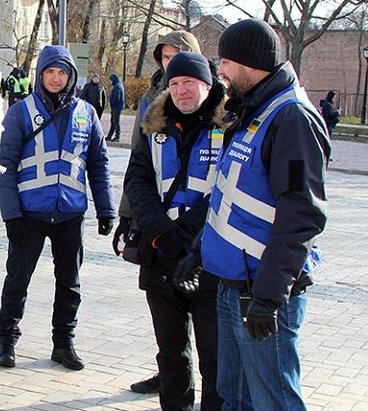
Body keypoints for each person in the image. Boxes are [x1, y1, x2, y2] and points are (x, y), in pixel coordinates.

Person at [178, 18, 330, 410]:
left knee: (272, 402)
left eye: (226, 61)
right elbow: (230, 196)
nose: (221, 71)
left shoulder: (292, 118)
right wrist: (199, 252)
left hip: (262, 292)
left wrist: (269, 296)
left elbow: (302, 215)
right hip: (233, 284)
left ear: (250, 63)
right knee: (235, 398)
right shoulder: (252, 110)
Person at [0, 44, 115, 371]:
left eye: (62, 72)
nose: (56, 78)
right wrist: (10, 214)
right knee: (17, 279)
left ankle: (63, 343)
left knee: (70, 283)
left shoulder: (86, 113)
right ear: (40, 75)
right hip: (29, 215)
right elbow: (3, 166)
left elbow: (99, 165)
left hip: (70, 215)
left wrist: (106, 210)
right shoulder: (20, 112)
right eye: (50, 72)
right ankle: (7, 339)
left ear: (71, 75)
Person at [124, 52, 226, 411]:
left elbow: (226, 191)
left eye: (189, 82)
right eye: (175, 84)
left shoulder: (228, 128)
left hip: (210, 261)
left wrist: (184, 233)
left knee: (215, 360)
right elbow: (137, 182)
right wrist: (164, 233)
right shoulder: (154, 126)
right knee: (171, 357)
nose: (181, 91)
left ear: (208, 85)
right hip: (161, 255)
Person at [114, 30, 201, 395]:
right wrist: (128, 216)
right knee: (168, 327)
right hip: (158, 229)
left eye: (177, 56)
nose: (170, 65)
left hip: (200, 239)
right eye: (165, 59)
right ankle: (168, 375)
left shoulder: (216, 104)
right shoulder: (153, 98)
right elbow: (139, 167)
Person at [105, 73, 124, 141]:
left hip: (116, 107)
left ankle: (117, 136)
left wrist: (112, 103)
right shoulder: (118, 85)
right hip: (116, 107)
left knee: (116, 121)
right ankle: (109, 136)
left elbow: (117, 97)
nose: (110, 82)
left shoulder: (117, 87)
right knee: (113, 121)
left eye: (111, 80)